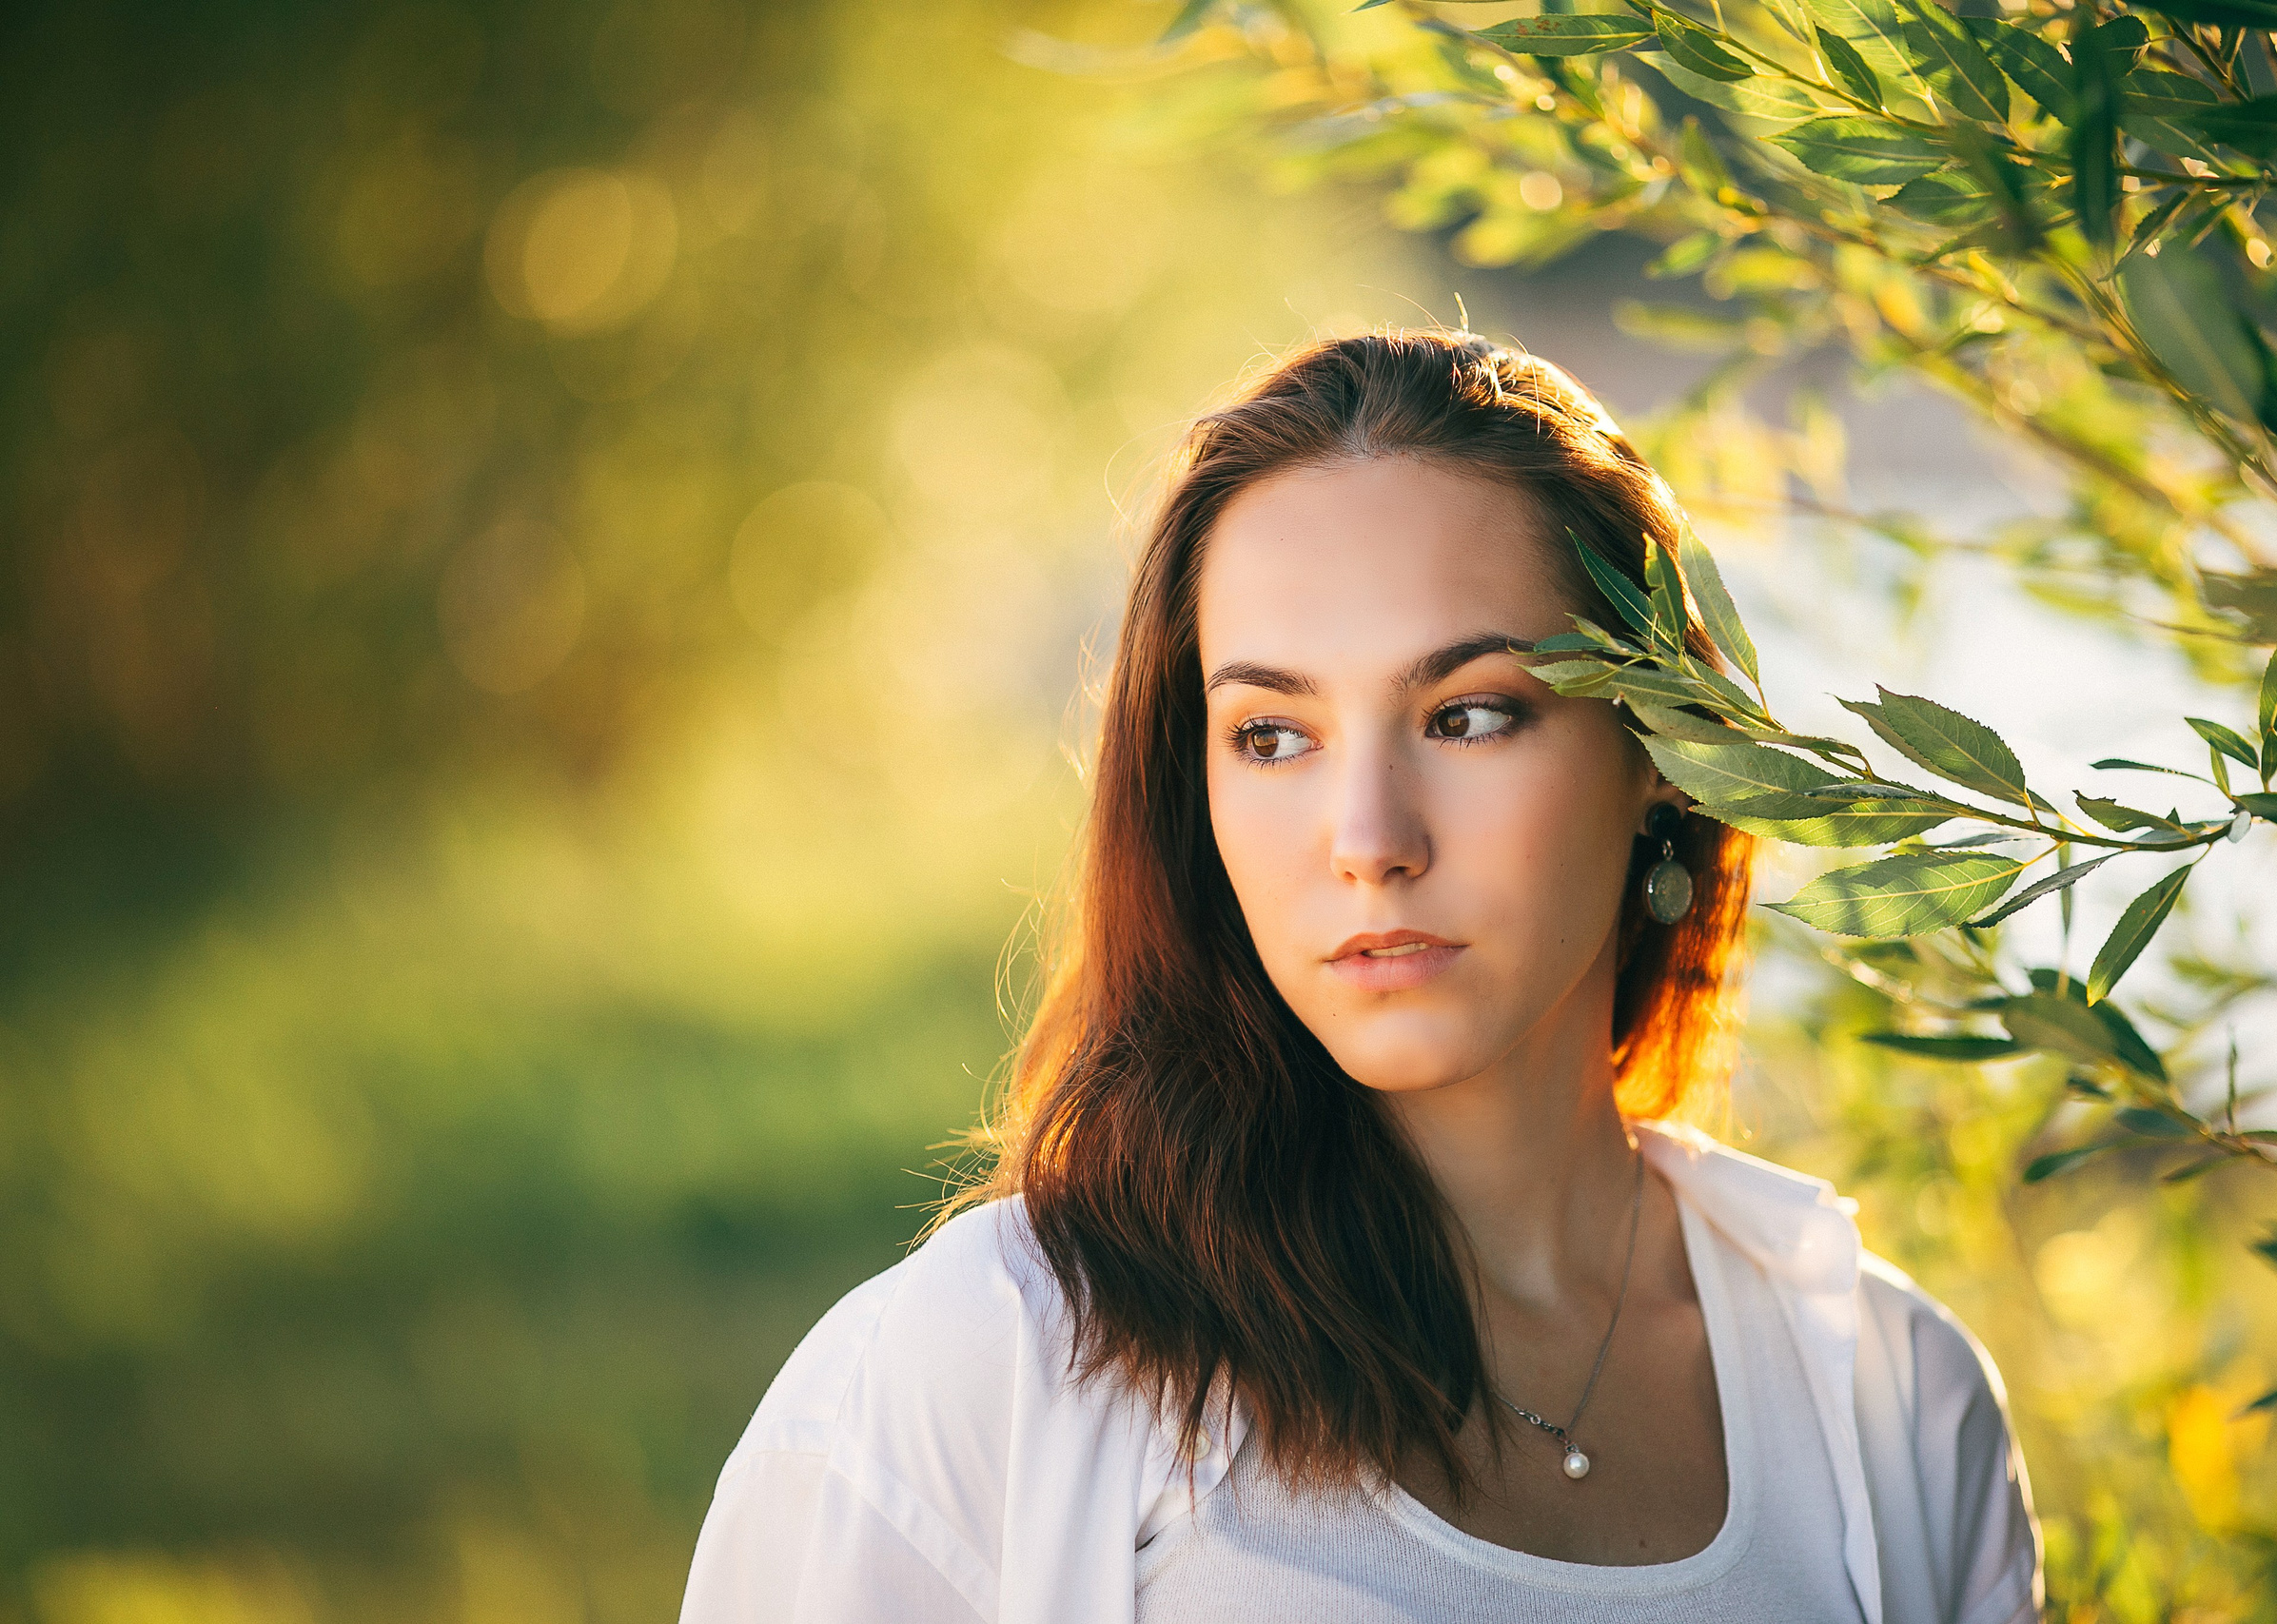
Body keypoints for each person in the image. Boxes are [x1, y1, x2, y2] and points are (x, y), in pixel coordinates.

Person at [677, 330, 2041, 1623]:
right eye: (1273, 737)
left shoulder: (1892, 1405)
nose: (1371, 842)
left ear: (1660, 760)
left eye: (1469, 716)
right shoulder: (999, 1360)